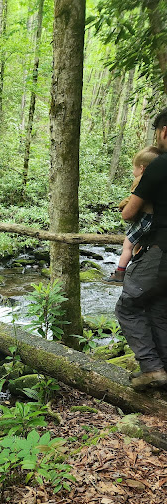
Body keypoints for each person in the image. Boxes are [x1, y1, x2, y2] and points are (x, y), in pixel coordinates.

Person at [115, 108, 167, 390]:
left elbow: (129, 212)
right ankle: (163, 371)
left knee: (128, 306)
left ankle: (152, 368)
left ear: (164, 131)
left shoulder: (159, 165)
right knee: (158, 310)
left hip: (160, 250)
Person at [105, 146, 161, 284]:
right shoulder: (160, 179)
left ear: (142, 168)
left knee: (127, 245)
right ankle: (136, 262)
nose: (132, 171)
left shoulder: (142, 180)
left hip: (145, 219)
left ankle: (120, 273)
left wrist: (123, 204)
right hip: (156, 221)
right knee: (138, 243)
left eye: (134, 168)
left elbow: (132, 202)